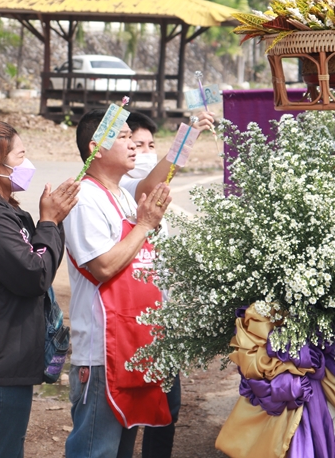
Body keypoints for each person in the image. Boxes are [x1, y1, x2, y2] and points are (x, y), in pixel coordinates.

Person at [0, 120, 80, 458]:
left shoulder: (7, 213)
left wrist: (51, 222)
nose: (28, 164)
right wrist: (49, 222)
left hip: (6, 359)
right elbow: (33, 275)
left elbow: (35, 262)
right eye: (21, 156)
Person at [64, 110, 172, 458]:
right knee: (96, 449)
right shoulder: (84, 198)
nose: (133, 144)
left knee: (121, 450)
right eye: (124, 137)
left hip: (131, 345)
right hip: (101, 352)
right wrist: (144, 225)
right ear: (96, 147)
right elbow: (104, 265)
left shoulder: (125, 197)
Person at [119, 110, 215, 458]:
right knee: (129, 412)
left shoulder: (157, 197)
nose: (142, 152)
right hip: (133, 322)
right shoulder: (130, 190)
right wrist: (186, 136)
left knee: (167, 407)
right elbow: (150, 181)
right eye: (134, 144)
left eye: (149, 145)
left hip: (161, 319)